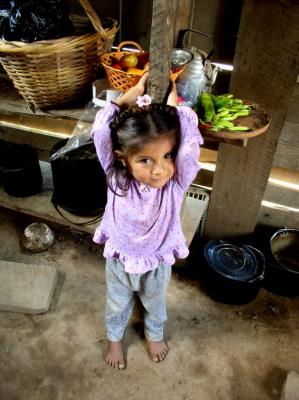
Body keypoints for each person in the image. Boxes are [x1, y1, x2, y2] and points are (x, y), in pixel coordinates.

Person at [91, 73, 203, 369]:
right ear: (122, 158)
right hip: (119, 258)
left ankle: (154, 334)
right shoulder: (115, 176)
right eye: (145, 160)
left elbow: (190, 149)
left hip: (156, 261)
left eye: (167, 155)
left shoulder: (175, 184)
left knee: (155, 303)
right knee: (117, 302)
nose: (160, 170)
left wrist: (176, 108)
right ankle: (114, 338)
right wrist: (123, 99)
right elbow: (102, 132)